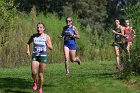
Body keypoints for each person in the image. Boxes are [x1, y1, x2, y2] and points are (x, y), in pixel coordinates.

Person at [26, 22, 53, 93]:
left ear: (44, 29)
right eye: (38, 27)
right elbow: (28, 43)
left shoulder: (47, 37)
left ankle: (40, 88)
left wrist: (47, 44)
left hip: (43, 57)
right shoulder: (34, 36)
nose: (39, 29)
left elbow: (51, 48)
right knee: (34, 72)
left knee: (40, 74)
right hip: (35, 56)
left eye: (40, 27)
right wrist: (28, 50)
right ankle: (35, 82)